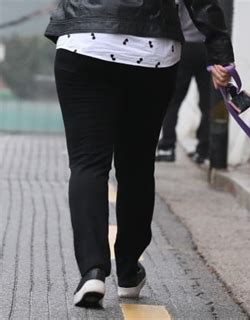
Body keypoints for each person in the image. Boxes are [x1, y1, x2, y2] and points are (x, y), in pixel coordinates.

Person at [44, 0, 234, 308]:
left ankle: (93, 270)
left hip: (83, 42)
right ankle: (129, 271)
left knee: (88, 164)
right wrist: (220, 54)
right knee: (137, 167)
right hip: (152, 53)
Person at [156, 1, 210, 164]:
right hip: (207, 48)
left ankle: (167, 146)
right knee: (207, 103)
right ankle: (203, 150)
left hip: (185, 46)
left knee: (172, 101)